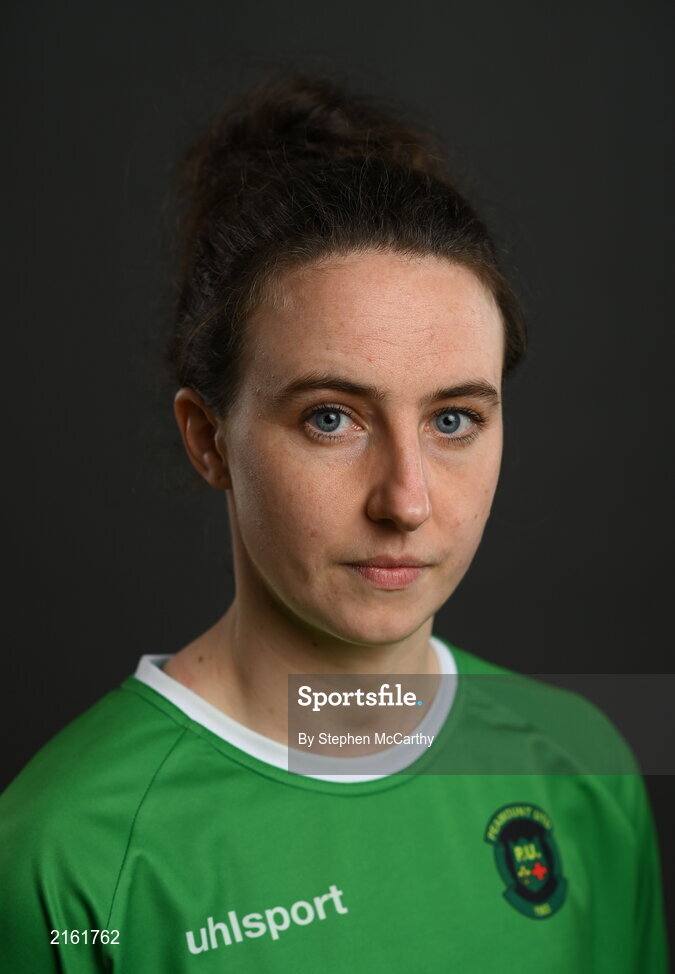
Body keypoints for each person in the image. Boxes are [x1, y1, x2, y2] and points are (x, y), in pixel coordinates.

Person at [0, 70, 669, 973]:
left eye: (452, 420)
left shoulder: (580, 765)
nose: (406, 500)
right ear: (209, 439)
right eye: (330, 418)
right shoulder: (67, 856)